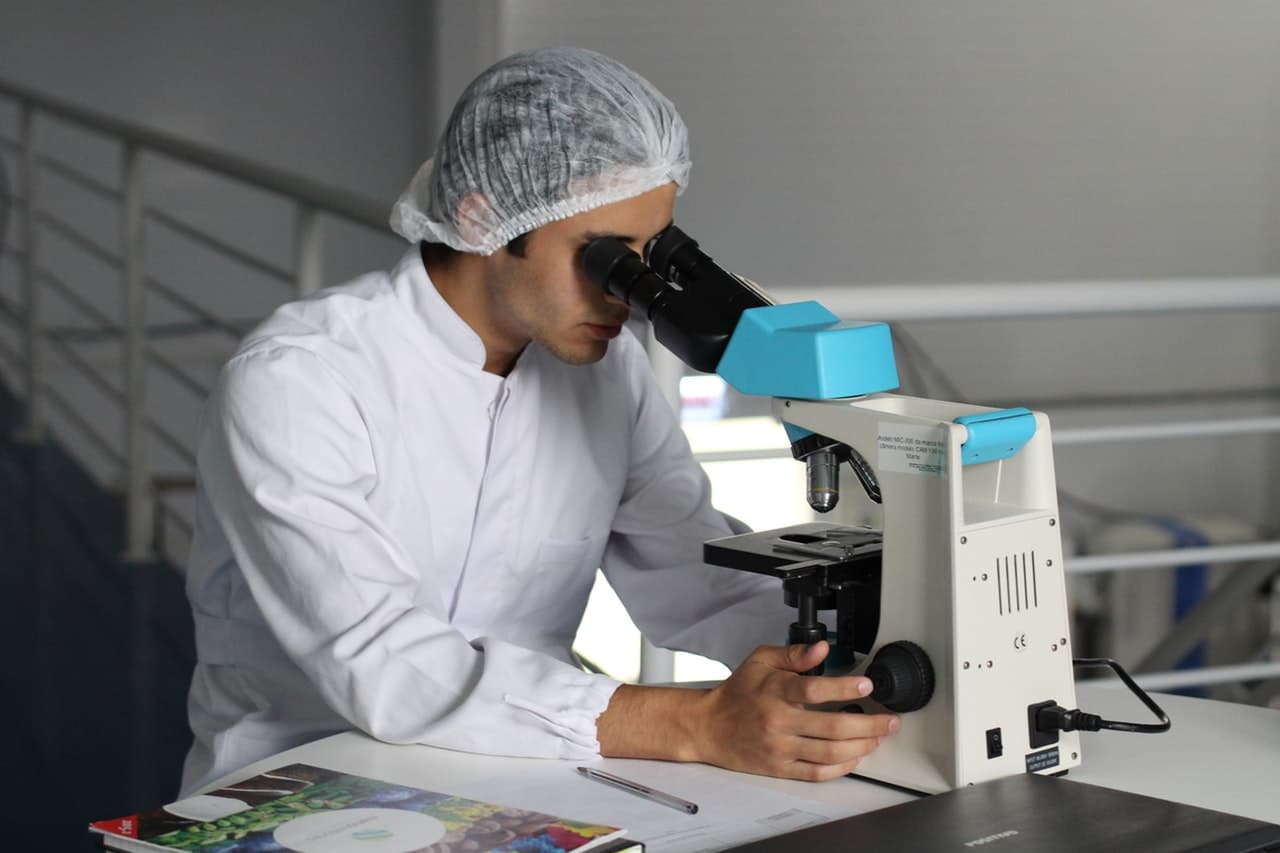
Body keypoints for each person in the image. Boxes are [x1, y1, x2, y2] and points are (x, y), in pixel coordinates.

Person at [179, 46, 898, 797]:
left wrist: (844, 661)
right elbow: (384, 662)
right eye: (607, 259)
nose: (630, 294)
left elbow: (696, 576)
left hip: (524, 779)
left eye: (653, 253)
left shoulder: (605, 374)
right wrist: (698, 722)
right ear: (484, 218)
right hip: (302, 785)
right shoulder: (302, 380)